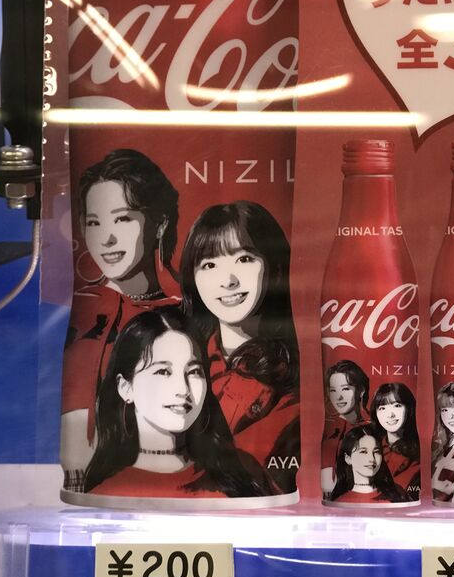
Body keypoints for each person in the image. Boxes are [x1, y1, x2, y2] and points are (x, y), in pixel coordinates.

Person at [61, 148, 180, 492]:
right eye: (94, 222)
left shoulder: (188, 312)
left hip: (164, 486)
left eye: (123, 219)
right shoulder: (75, 308)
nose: (106, 238)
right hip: (77, 494)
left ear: (159, 223)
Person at [83, 308, 270, 499]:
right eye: (163, 371)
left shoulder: (243, 471)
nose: (183, 389)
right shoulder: (105, 495)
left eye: (194, 371)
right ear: (125, 387)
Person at [180, 202, 300, 495]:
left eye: (244, 259)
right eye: (209, 265)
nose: (228, 281)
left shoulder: (297, 374)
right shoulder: (180, 359)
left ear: (274, 267)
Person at [320, 359, 370, 497]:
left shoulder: (372, 430)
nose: (339, 396)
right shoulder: (324, 429)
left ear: (361, 391)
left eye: (346, 389)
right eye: (333, 390)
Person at [329, 424, 407, 504]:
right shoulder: (340, 502)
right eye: (363, 452)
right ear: (348, 458)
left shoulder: (397, 493)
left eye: (376, 452)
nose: (371, 459)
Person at [370, 383, 420, 501]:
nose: (390, 415)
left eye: (397, 406)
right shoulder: (371, 445)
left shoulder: (419, 452)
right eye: (382, 408)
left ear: (409, 408)